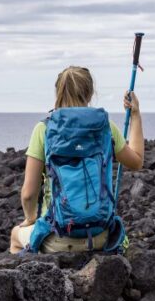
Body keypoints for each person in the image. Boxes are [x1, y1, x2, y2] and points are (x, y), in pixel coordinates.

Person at [9, 66, 144, 253]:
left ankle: (32, 271)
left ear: (58, 92)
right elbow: (136, 161)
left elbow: (28, 194)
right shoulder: (105, 127)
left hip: (58, 237)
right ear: (90, 93)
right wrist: (135, 115)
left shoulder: (44, 129)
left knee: (15, 235)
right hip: (102, 236)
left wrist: (30, 219)